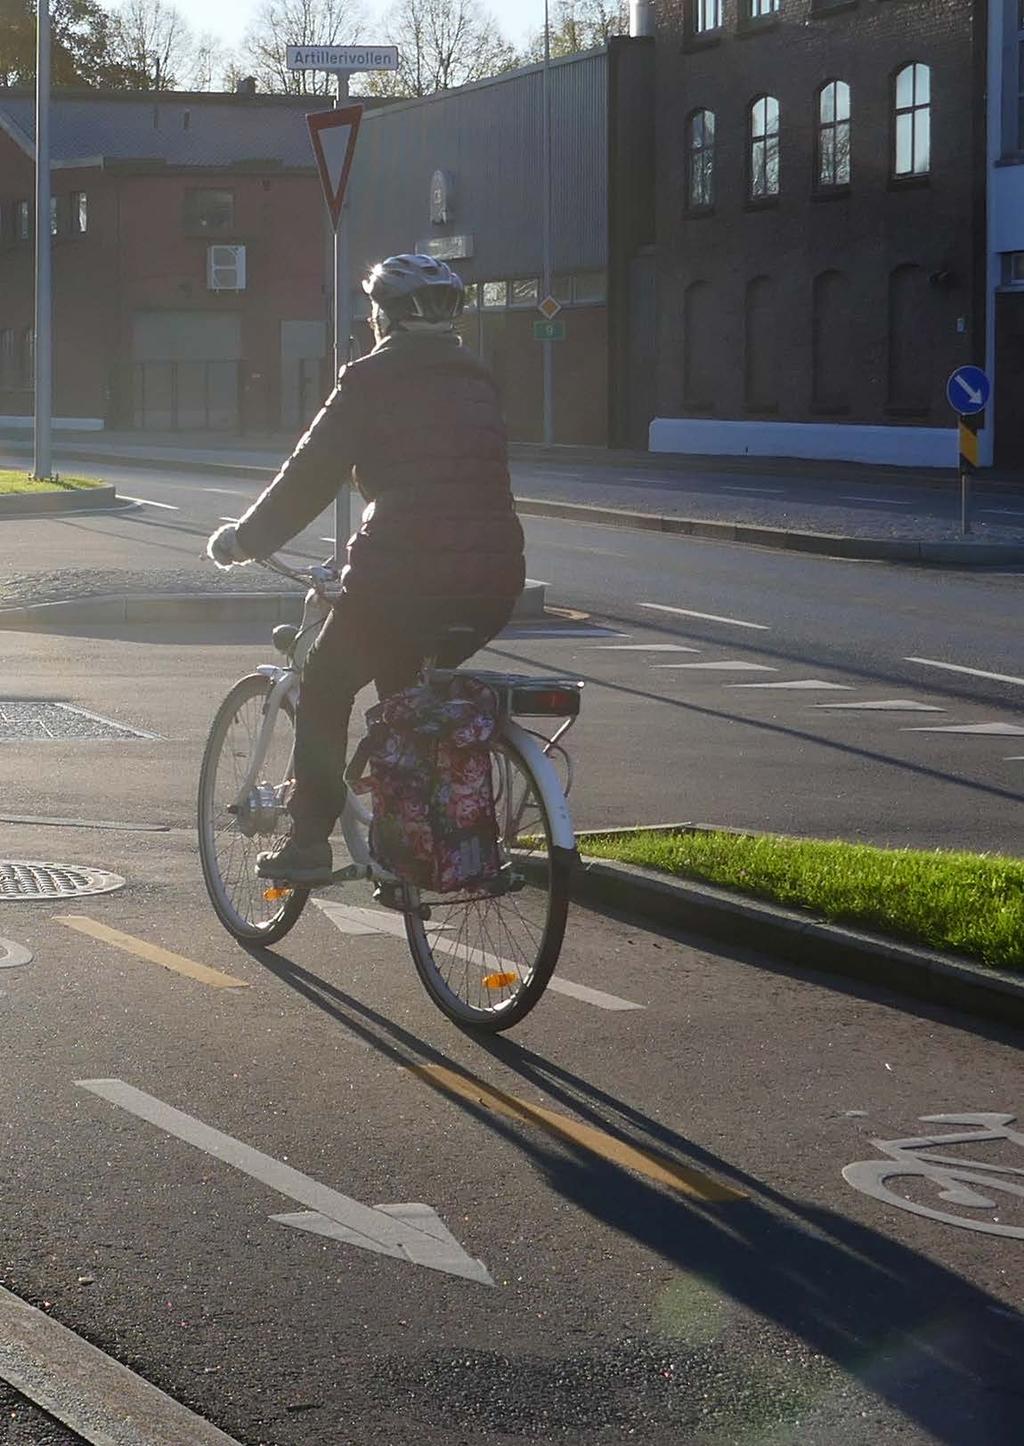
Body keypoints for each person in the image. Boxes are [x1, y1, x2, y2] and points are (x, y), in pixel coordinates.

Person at [207, 254, 525, 886]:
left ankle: (306, 845)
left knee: (325, 683)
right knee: (407, 699)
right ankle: (412, 838)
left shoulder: (370, 379)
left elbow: (309, 475)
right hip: (493, 583)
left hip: (401, 579)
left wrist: (245, 539)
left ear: (382, 317)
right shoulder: (480, 380)